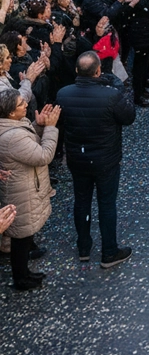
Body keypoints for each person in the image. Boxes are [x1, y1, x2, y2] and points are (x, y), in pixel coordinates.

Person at [56, 50, 135, 266]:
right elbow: (129, 117)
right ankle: (109, 251)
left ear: (77, 70)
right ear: (98, 71)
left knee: (81, 201)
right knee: (107, 203)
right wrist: (118, 89)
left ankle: (84, 247)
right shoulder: (110, 95)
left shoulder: (63, 94)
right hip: (106, 160)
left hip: (77, 158)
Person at [0, 90, 59, 290]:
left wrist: (39, 125)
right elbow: (43, 156)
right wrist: (50, 128)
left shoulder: (12, 128)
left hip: (23, 189)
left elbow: (28, 143)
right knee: (21, 237)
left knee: (24, 236)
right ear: (10, 113)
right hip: (22, 192)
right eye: (20, 104)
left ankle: (24, 273)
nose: (26, 104)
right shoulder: (12, 137)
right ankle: (21, 278)